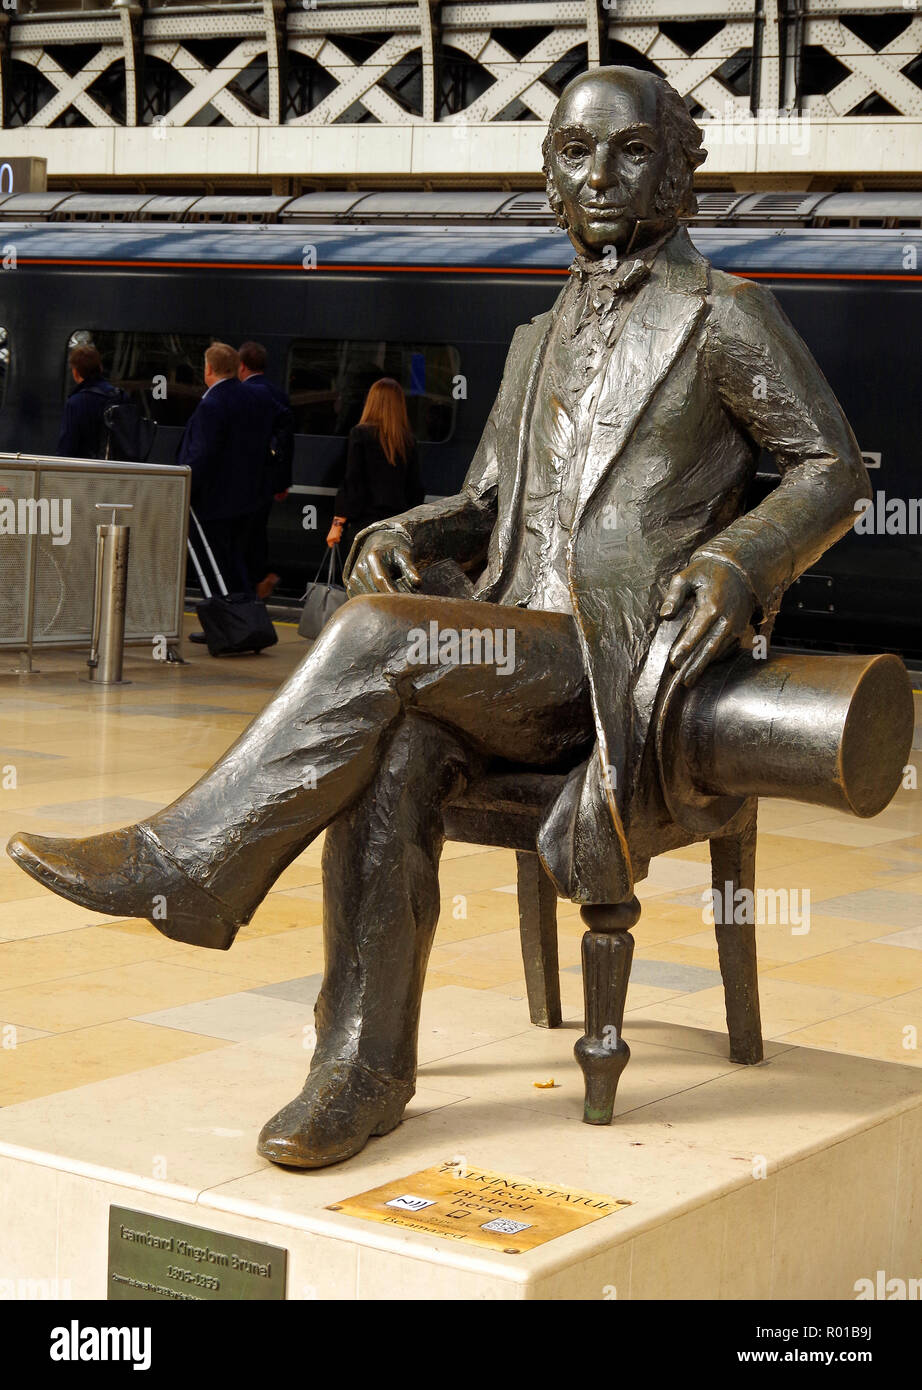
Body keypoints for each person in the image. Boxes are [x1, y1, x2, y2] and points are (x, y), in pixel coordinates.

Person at [8, 67, 869, 1170]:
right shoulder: (534, 337)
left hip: (616, 661)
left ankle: (187, 862)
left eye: (631, 151)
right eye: (572, 152)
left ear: (678, 171)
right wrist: (412, 530)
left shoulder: (726, 318)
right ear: (548, 179)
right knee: (389, 747)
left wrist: (740, 558)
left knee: (374, 641)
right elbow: (486, 503)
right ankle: (359, 1070)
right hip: (507, 647)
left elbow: (829, 467)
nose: (598, 175)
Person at [179, 342, 276, 633]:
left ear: (208, 369)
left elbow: (203, 455)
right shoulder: (254, 398)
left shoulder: (212, 404)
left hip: (212, 502)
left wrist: (187, 489)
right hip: (248, 500)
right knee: (237, 564)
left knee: (214, 568)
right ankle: (246, 624)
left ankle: (224, 628)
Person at [325, 378, 425, 559]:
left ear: (371, 402)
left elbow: (353, 482)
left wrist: (337, 523)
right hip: (396, 526)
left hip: (364, 524)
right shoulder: (408, 441)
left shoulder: (360, 434)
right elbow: (415, 489)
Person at [237, 341, 295, 600]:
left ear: (241, 365)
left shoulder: (242, 394)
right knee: (258, 532)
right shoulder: (278, 394)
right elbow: (286, 441)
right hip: (268, 480)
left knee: (239, 537)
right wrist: (282, 482)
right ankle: (260, 580)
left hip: (244, 480)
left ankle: (248, 588)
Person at [58, 344, 118, 459]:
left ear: (75, 373)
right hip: (118, 468)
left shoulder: (75, 403)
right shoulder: (120, 396)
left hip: (87, 470)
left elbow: (66, 447)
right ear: (100, 368)